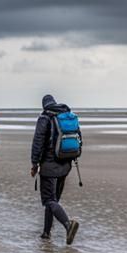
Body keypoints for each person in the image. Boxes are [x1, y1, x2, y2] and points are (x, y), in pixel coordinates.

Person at [30, 94, 81, 245]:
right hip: (65, 164)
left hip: (49, 165)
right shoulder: (67, 116)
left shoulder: (45, 118)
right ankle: (46, 233)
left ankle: (68, 225)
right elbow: (79, 138)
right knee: (53, 200)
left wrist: (34, 164)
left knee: (49, 200)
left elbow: (38, 142)